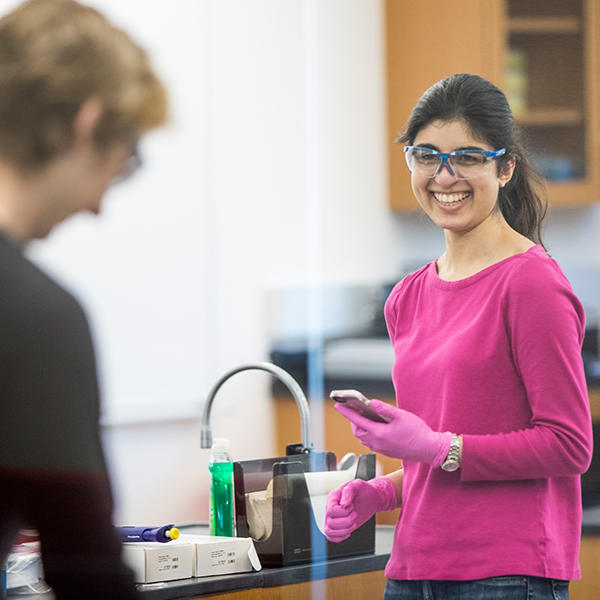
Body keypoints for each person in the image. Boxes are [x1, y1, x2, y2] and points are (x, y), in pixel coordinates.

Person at [324, 73, 593, 600]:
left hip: (506, 573)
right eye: (426, 155)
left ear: (506, 166)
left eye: (467, 157)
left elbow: (569, 445)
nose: (445, 176)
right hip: (413, 568)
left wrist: (433, 446)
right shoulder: (408, 296)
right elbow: (442, 453)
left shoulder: (531, 283)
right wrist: (377, 493)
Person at [0, 0, 167, 597]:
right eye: (119, 167)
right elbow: (85, 571)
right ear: (87, 124)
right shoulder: (35, 316)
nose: (97, 206)